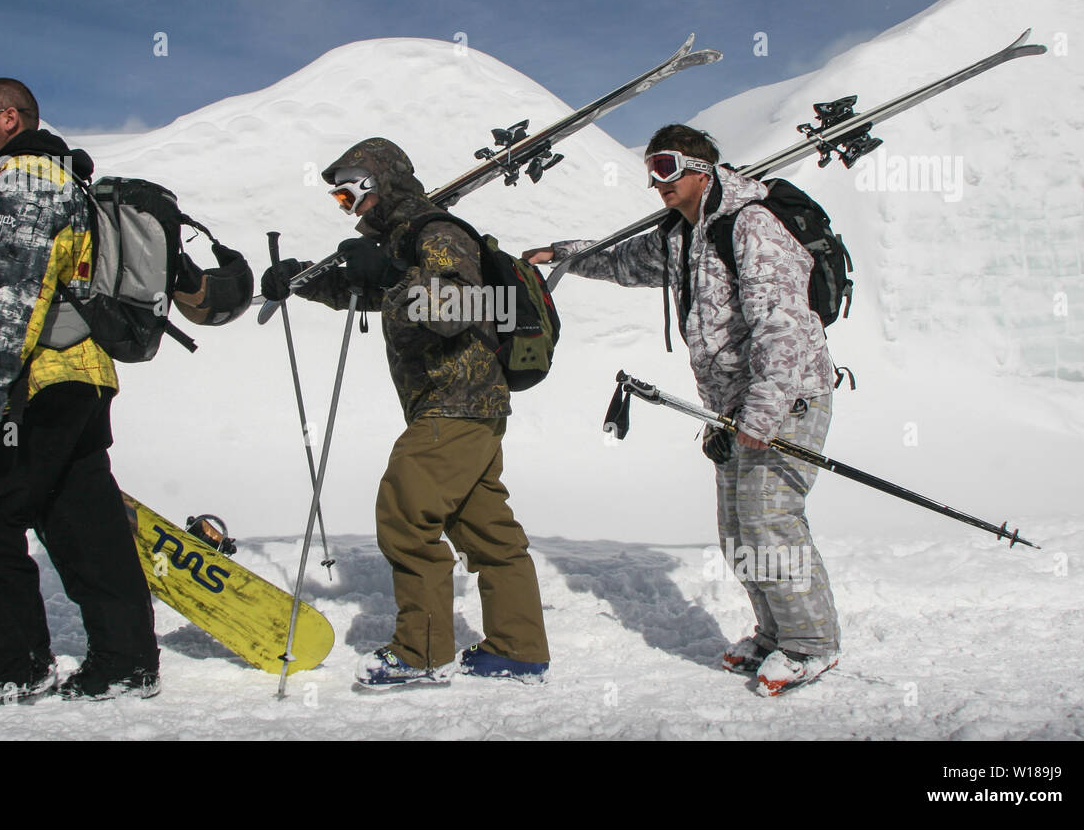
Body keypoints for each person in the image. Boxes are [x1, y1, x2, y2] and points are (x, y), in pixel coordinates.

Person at [525, 124, 840, 695]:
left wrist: (763, 414)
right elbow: (624, 264)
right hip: (729, 411)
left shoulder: (753, 226)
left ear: (702, 168)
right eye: (651, 169)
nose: (657, 181)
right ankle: (773, 635)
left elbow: (783, 324)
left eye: (667, 167)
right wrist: (565, 256)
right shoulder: (682, 236)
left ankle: (811, 645)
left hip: (786, 399)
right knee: (738, 531)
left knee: (771, 521)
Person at [261, 137, 551, 687]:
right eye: (341, 203)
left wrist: (392, 277)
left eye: (351, 196)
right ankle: (519, 649)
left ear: (378, 183)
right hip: (463, 407)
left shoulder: (437, 232)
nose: (350, 209)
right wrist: (301, 278)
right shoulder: (401, 244)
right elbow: (370, 289)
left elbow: (459, 304)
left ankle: (421, 652)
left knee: (404, 515)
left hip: (456, 403)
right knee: (488, 533)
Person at [0, 78, 159, 705]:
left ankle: (11, 665)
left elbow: (11, 293)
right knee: (81, 518)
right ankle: (126, 661)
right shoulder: (60, 176)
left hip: (38, 378)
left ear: (9, 118)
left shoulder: (28, 179)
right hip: (78, 377)